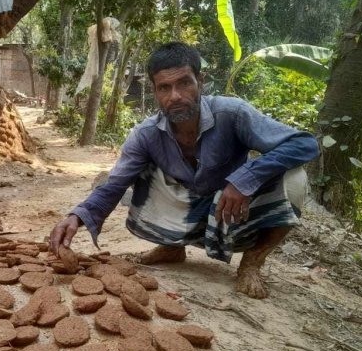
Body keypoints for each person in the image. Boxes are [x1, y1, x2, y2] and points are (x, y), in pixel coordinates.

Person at [49, 42, 320, 299]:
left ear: (200, 82)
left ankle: (252, 262)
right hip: (185, 208)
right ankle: (171, 247)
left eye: (184, 84)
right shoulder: (145, 134)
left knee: (295, 177)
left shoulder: (232, 113)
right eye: (164, 88)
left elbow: (304, 143)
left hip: (234, 211)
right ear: (155, 92)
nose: (175, 96)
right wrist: (77, 216)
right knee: (137, 171)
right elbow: (114, 185)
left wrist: (245, 179)